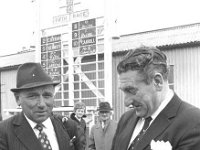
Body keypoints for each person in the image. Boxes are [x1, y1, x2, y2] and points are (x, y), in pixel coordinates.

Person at [111, 46, 200, 150]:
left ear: (157, 82)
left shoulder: (193, 123)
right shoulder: (126, 119)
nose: (126, 102)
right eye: (124, 91)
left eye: (131, 90)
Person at [0, 62, 84, 150]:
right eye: (33, 96)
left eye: (47, 95)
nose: (42, 104)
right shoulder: (4, 133)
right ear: (17, 99)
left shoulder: (69, 126)